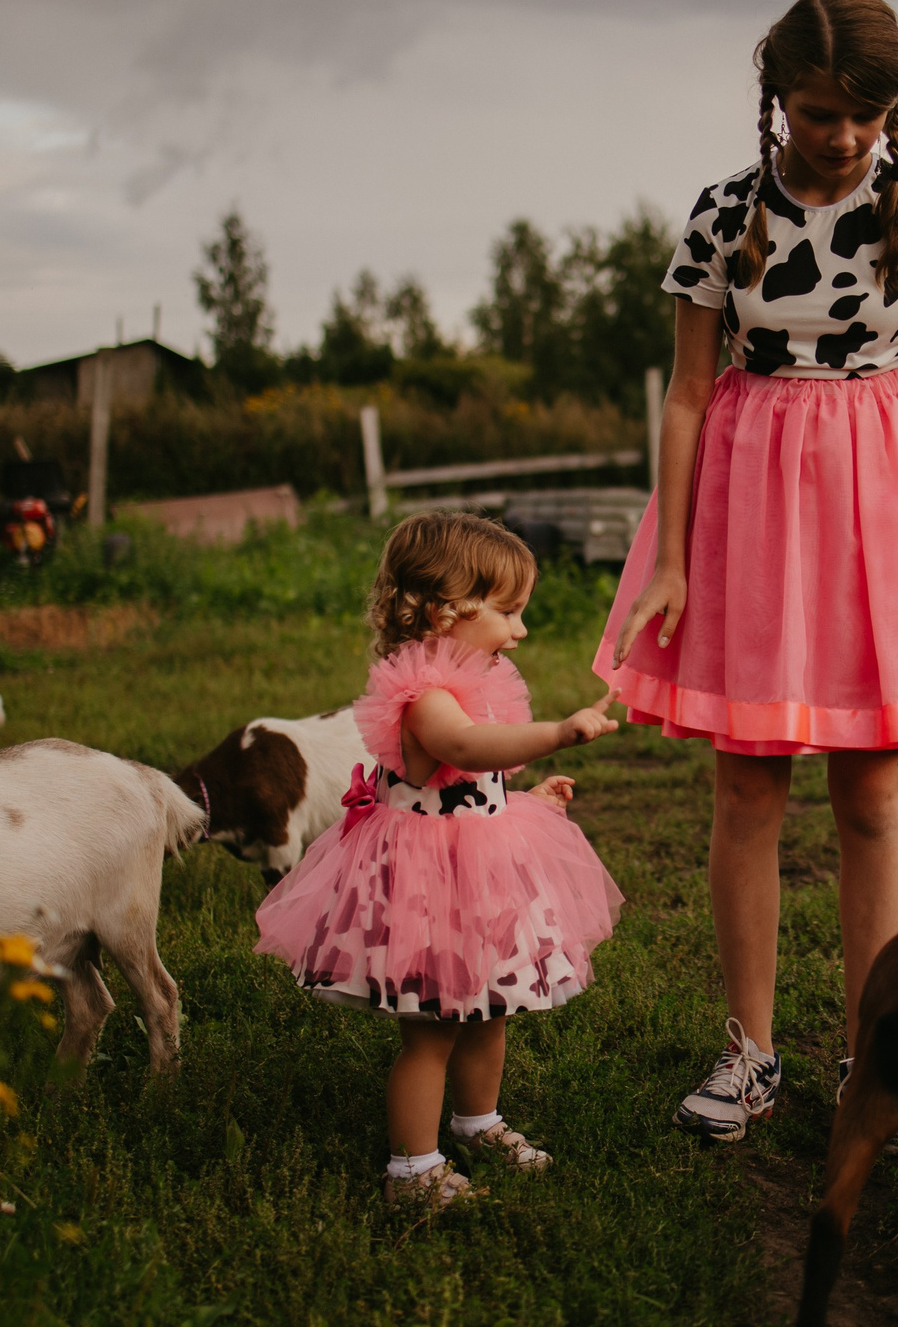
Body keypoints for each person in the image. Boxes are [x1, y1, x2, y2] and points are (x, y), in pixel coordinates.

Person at [594, 0, 898, 1142]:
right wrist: (667, 556)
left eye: (868, 113)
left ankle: (872, 1057)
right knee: (746, 784)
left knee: (873, 790)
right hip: (747, 502)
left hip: (881, 500)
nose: (844, 134)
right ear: (778, 102)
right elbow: (682, 394)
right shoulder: (725, 212)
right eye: (821, 111)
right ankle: (751, 1053)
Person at [255, 512, 625, 1207]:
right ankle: (413, 1169)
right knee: (431, 1032)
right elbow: (467, 748)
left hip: (478, 868)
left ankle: (478, 1120)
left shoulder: (473, 679)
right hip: (428, 885)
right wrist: (556, 733)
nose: (519, 630)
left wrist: (530, 797)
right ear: (444, 608)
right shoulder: (423, 696)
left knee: (490, 1011)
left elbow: (478, 780)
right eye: (509, 611)